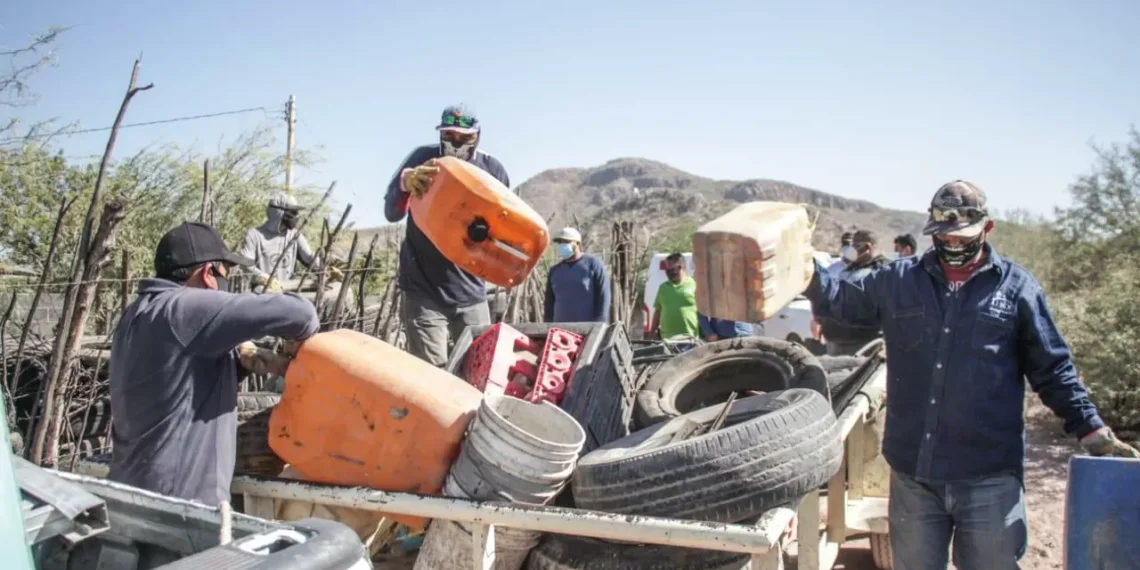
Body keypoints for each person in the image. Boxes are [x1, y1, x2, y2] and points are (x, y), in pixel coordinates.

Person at [805, 180, 1138, 569]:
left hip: (989, 479)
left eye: (964, 236)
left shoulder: (1017, 289)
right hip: (915, 476)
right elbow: (840, 301)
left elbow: (1053, 369)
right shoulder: (897, 282)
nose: (953, 244)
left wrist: (1092, 430)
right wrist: (803, 270)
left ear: (986, 228)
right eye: (943, 235)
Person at [108, 222, 320, 506]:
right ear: (208, 273)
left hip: (128, 494)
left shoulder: (137, 314)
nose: (225, 283)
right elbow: (302, 316)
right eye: (225, 274)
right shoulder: (186, 308)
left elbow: (183, 377)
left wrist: (256, 361)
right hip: (180, 509)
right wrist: (274, 294)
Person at [383, 104, 510, 366]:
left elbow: (506, 227)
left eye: (465, 137)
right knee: (433, 375)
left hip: (471, 290)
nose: (456, 142)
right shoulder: (423, 159)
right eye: (449, 136)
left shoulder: (493, 169)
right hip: (424, 291)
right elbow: (391, 212)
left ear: (478, 135)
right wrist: (406, 182)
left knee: (481, 369)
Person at [238, 192, 341, 287]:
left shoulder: (294, 236)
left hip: (287, 291)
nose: (296, 216)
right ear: (278, 212)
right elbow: (246, 265)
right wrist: (264, 278)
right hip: (262, 293)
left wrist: (326, 270)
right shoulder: (255, 235)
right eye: (293, 212)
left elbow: (309, 258)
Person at [817, 229, 890, 356]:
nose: (851, 250)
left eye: (856, 245)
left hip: (862, 344)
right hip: (834, 340)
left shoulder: (883, 271)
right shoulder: (850, 268)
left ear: (868, 247)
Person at [543, 227, 611, 323]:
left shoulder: (593, 264)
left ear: (577, 243)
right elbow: (549, 304)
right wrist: (547, 326)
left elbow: (603, 295)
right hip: (560, 330)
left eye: (566, 242)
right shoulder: (555, 271)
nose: (562, 245)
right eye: (560, 242)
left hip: (588, 329)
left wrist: (600, 324)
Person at [648, 253, 699, 340]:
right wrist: (652, 332)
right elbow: (658, 311)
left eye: (670, 268)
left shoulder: (694, 284)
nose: (667, 271)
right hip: (668, 339)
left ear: (680, 267)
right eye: (666, 268)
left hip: (690, 338)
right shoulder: (663, 288)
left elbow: (703, 312)